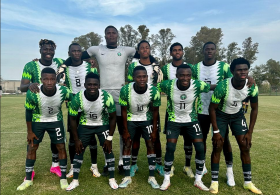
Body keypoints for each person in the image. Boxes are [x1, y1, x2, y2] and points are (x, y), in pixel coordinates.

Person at [64, 26, 136, 175]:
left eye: (113, 33)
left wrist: (154, 64)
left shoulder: (126, 50)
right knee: (104, 130)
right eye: (108, 33)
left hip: (120, 93)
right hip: (102, 95)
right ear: (105, 35)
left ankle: (122, 161)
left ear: (117, 35)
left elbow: (143, 54)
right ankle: (106, 162)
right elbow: (75, 56)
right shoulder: (96, 49)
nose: (110, 35)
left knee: (123, 129)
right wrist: (64, 65)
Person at [208, 58, 261, 194]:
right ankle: (214, 182)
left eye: (245, 69)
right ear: (232, 71)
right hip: (221, 115)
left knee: (245, 145)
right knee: (218, 145)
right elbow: (212, 108)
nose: (242, 72)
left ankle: (247, 182)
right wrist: (216, 131)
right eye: (239, 70)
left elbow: (254, 109)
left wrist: (250, 132)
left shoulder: (252, 87)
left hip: (237, 116)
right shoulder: (223, 86)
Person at [158, 64, 211, 191]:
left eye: (188, 75)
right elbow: (153, 87)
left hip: (191, 120)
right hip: (174, 120)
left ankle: (198, 180)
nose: (185, 78)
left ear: (191, 76)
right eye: (182, 75)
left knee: (200, 147)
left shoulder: (197, 84)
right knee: (170, 147)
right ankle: (166, 179)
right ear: (177, 75)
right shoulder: (168, 84)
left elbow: (211, 86)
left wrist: (247, 80)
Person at [17, 68, 71, 190]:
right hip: (38, 121)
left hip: (55, 121)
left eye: (52, 79)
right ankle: (28, 179)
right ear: (41, 80)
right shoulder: (33, 92)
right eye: (46, 79)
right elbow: (28, 112)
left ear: (56, 80)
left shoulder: (63, 91)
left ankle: (63, 178)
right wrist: (29, 132)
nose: (49, 82)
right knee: (32, 147)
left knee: (61, 147)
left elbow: (73, 101)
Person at [191, 42, 235, 185]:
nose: (209, 51)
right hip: (202, 110)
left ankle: (230, 172)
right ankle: (202, 167)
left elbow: (233, 81)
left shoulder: (224, 67)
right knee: (201, 140)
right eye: (207, 49)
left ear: (215, 51)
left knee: (224, 140)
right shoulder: (196, 67)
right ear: (203, 50)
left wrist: (249, 80)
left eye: (212, 49)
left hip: (220, 110)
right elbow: (186, 80)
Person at [20, 39, 65, 178]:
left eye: (51, 50)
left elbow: (75, 58)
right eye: (45, 49)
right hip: (38, 111)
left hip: (54, 107)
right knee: (33, 143)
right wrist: (30, 85)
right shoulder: (30, 65)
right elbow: (22, 87)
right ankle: (30, 172)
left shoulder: (60, 62)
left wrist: (91, 62)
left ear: (54, 51)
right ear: (40, 50)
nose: (48, 52)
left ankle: (55, 166)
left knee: (56, 140)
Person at [66, 73, 118, 190]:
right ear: (85, 85)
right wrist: (76, 139)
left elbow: (113, 117)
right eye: (89, 84)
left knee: (108, 149)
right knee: (78, 150)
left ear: (99, 85)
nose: (92, 87)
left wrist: (109, 138)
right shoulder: (78, 98)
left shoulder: (106, 97)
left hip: (102, 124)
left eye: (95, 84)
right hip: (85, 124)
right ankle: (75, 180)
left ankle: (112, 178)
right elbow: (73, 119)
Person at [59, 43, 100, 178]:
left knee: (92, 137)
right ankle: (72, 167)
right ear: (69, 53)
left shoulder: (89, 66)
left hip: (90, 106)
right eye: (73, 51)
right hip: (73, 107)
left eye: (78, 51)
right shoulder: (65, 68)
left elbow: (95, 85)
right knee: (73, 138)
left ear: (81, 52)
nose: (76, 53)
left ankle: (94, 166)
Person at [118, 66, 161, 189]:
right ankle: (127, 176)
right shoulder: (125, 90)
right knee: (127, 144)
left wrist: (154, 130)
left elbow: (155, 111)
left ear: (147, 77)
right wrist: (125, 130)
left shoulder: (154, 91)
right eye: (138, 76)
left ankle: (151, 176)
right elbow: (124, 111)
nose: (142, 79)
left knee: (150, 144)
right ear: (133, 77)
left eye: (144, 76)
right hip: (131, 119)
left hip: (146, 119)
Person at [126, 40, 164, 177]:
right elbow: (131, 84)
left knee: (155, 137)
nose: (145, 50)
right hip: (136, 107)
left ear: (150, 50)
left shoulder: (156, 67)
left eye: (147, 47)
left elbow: (158, 85)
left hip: (151, 107)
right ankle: (133, 164)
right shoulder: (133, 65)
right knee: (135, 138)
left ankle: (159, 164)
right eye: (142, 48)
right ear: (138, 50)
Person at [161, 42, 194, 178]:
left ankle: (187, 166)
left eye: (179, 50)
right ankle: (171, 165)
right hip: (172, 111)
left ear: (182, 52)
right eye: (174, 50)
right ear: (170, 53)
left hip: (188, 111)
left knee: (188, 140)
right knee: (171, 142)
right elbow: (159, 84)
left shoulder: (190, 68)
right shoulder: (165, 69)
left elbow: (195, 84)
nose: (177, 52)